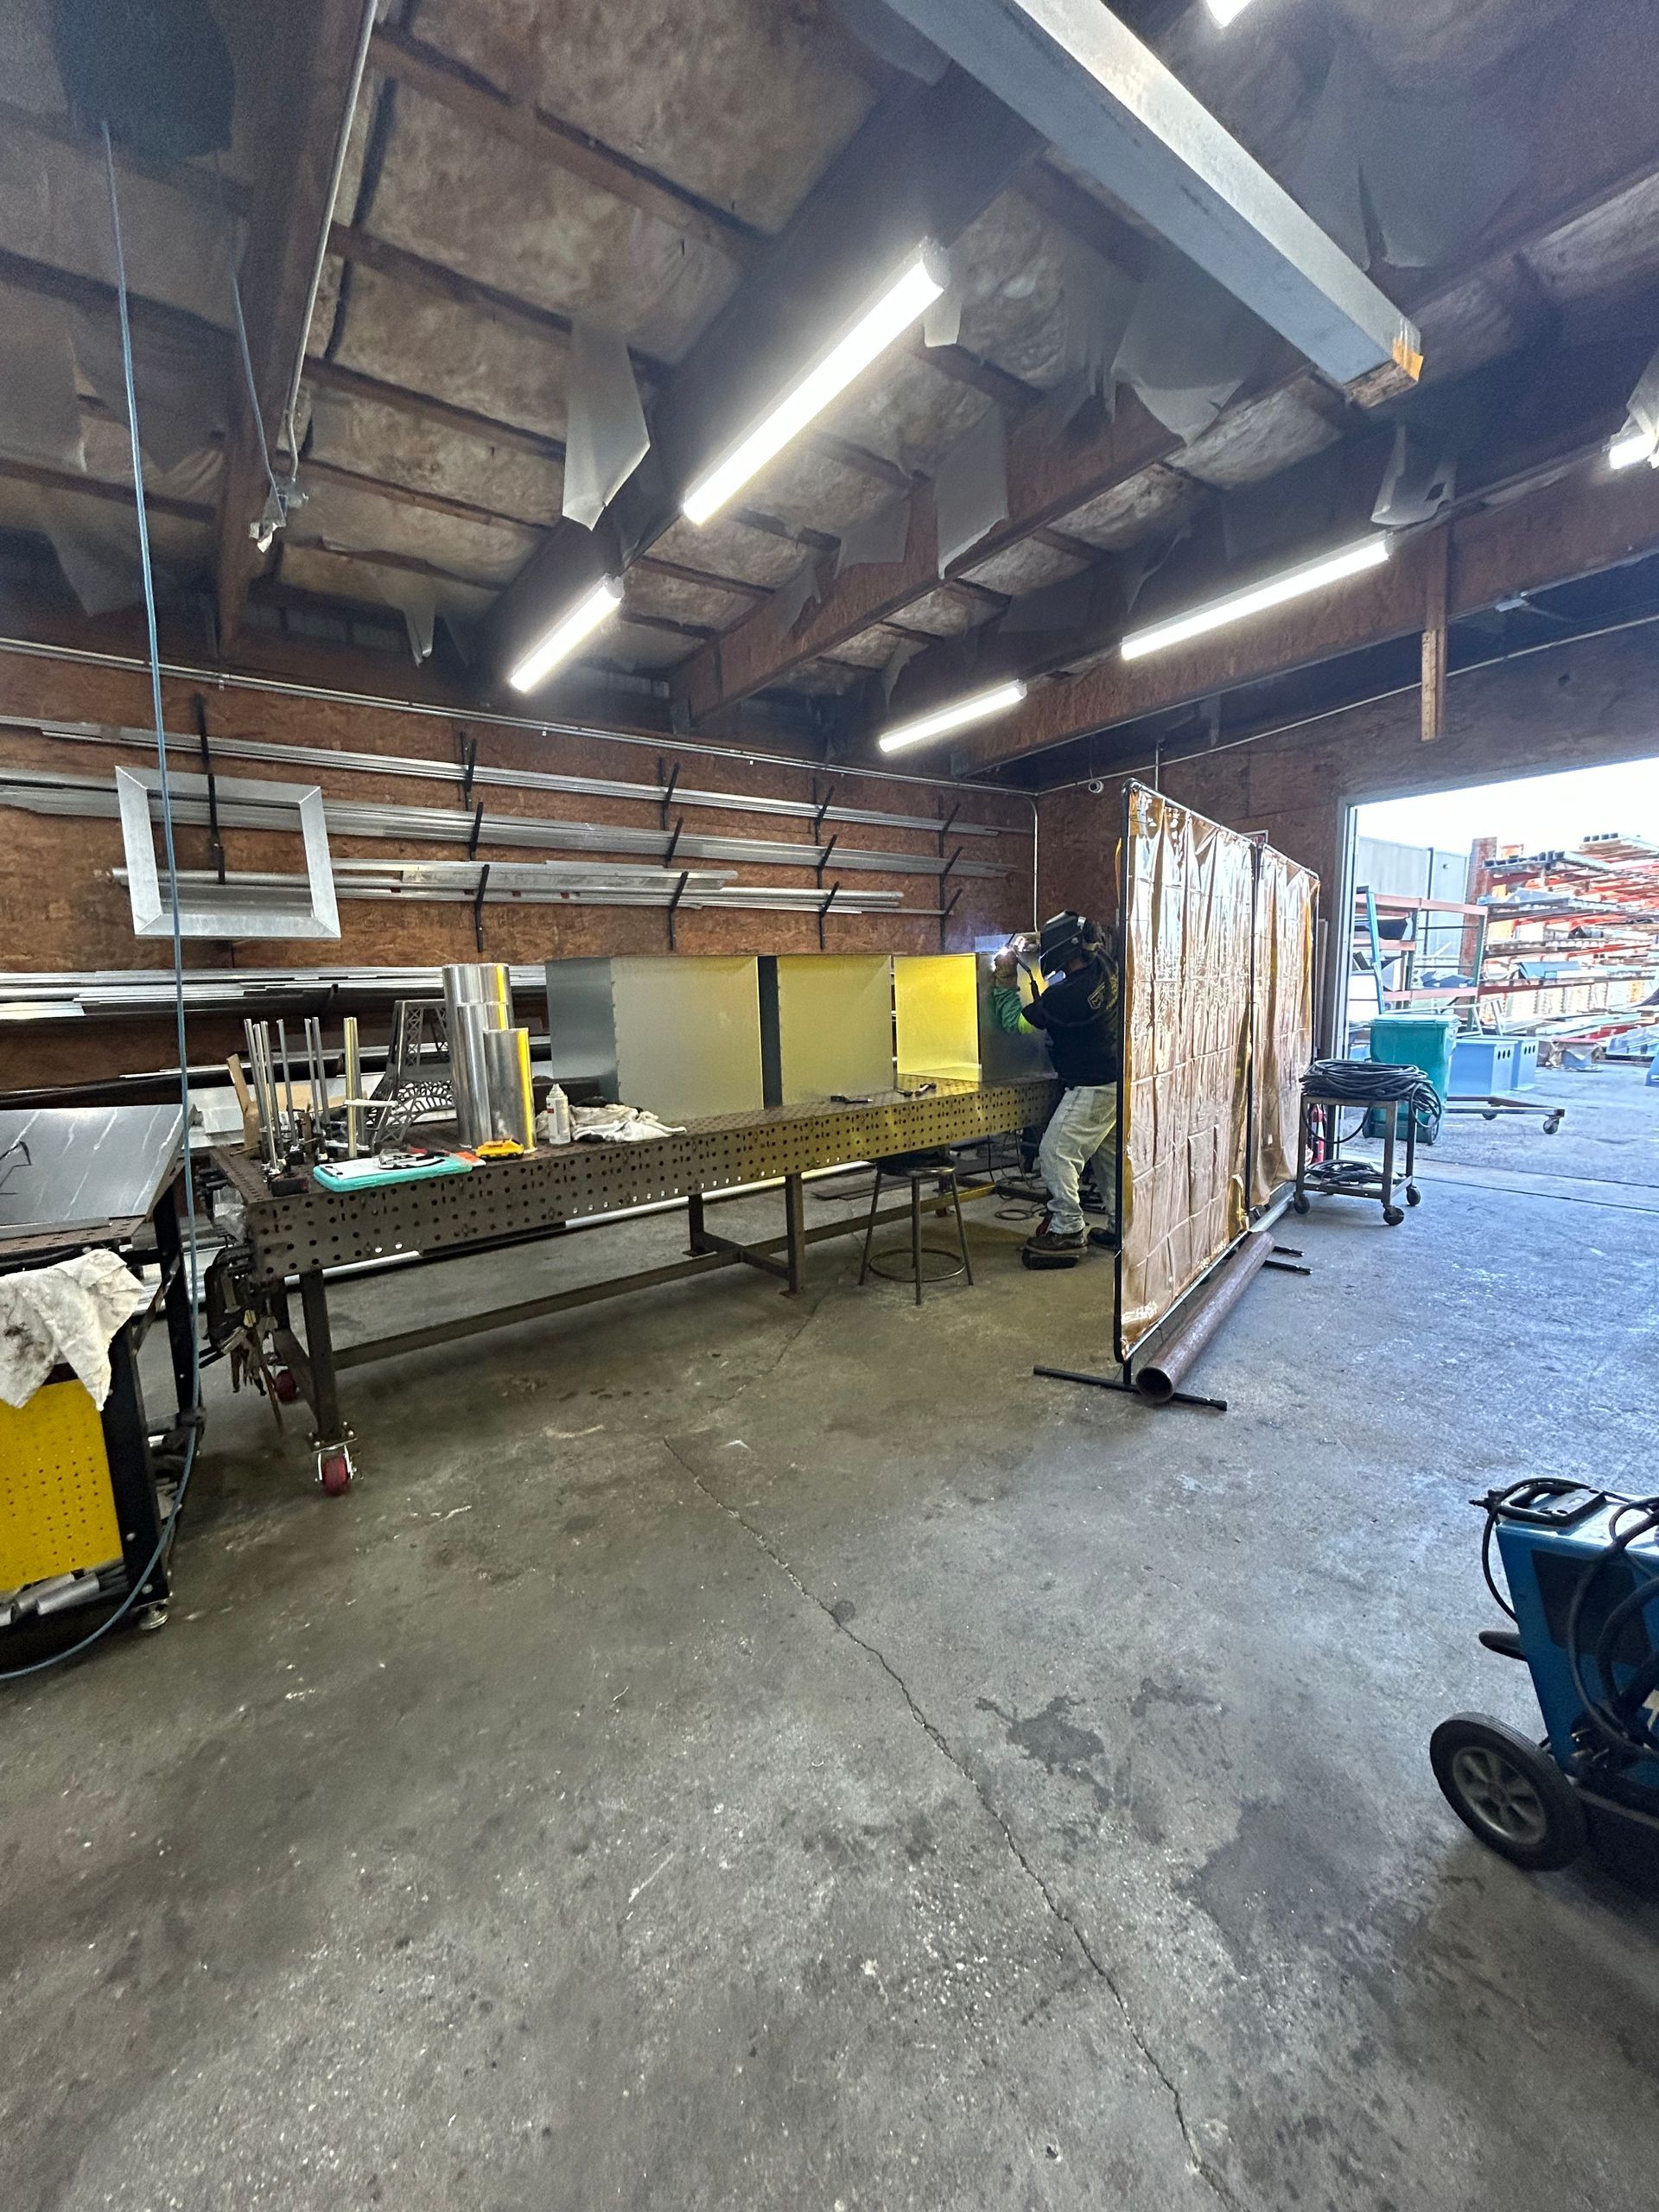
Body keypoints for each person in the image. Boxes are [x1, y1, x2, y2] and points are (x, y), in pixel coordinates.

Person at [991, 911, 1120, 1264]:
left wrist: (1004, 981)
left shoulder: (1065, 996)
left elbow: (1016, 1023)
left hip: (1091, 1086)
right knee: (1108, 1160)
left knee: (1055, 1153)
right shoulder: (1106, 968)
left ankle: (1067, 1229)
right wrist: (1033, 942)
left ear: (1062, 951)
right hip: (1116, 1081)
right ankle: (1120, 1226)